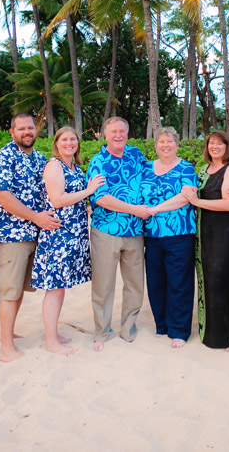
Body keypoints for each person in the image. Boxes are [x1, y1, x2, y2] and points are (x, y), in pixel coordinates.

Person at [0, 113, 61, 362]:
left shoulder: (39, 159)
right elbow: (3, 197)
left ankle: (7, 334)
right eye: (21, 129)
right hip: (12, 235)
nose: (27, 132)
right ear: (12, 132)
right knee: (9, 290)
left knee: (18, 289)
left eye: (31, 128)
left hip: (36, 234)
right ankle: (6, 347)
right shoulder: (3, 157)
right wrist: (36, 217)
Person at [31, 126, 105, 355]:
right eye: (64, 139)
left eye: (73, 139)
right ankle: (50, 340)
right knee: (54, 289)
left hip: (74, 233)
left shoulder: (74, 167)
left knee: (60, 288)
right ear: (56, 143)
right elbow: (58, 199)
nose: (69, 143)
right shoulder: (54, 165)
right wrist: (89, 190)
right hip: (59, 234)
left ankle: (52, 334)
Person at [86, 116, 152, 352]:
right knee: (104, 284)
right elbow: (100, 198)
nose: (118, 135)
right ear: (105, 134)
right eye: (113, 131)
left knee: (135, 283)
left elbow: (152, 179)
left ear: (127, 133)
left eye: (122, 131)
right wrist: (135, 209)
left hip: (135, 231)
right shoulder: (98, 161)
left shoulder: (136, 155)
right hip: (106, 231)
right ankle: (102, 331)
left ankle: (128, 327)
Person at [183, 131, 229, 350]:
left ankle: (224, 336)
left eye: (220, 143)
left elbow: (228, 204)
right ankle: (208, 332)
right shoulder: (203, 170)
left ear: (227, 147)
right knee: (206, 280)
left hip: (222, 233)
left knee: (220, 281)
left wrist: (197, 201)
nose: (215, 147)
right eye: (211, 144)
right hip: (202, 232)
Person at [141, 126, 198, 348]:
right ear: (155, 145)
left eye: (170, 141)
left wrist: (155, 209)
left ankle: (179, 330)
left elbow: (185, 197)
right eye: (161, 142)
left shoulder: (185, 167)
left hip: (179, 233)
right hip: (151, 234)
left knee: (179, 282)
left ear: (177, 143)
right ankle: (162, 324)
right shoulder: (146, 167)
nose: (165, 145)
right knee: (156, 281)